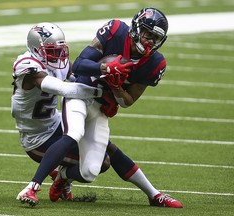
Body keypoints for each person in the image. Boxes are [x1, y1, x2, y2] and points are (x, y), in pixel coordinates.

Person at [49, 7, 183, 208]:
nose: (149, 41)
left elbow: (128, 101)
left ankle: (63, 176)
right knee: (91, 142)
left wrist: (117, 88)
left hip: (102, 107)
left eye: (155, 37)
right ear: (137, 28)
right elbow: (78, 65)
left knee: (97, 165)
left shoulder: (155, 62)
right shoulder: (115, 30)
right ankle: (154, 195)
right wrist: (105, 68)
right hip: (81, 94)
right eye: (147, 33)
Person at [11, 22, 107, 207]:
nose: (58, 55)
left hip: (54, 122)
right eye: (51, 50)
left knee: (106, 150)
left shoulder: (57, 63)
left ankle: (153, 193)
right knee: (99, 163)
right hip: (37, 138)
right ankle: (55, 180)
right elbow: (63, 89)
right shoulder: (27, 65)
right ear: (36, 49)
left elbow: (79, 75)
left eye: (60, 49)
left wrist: (106, 74)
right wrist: (100, 93)